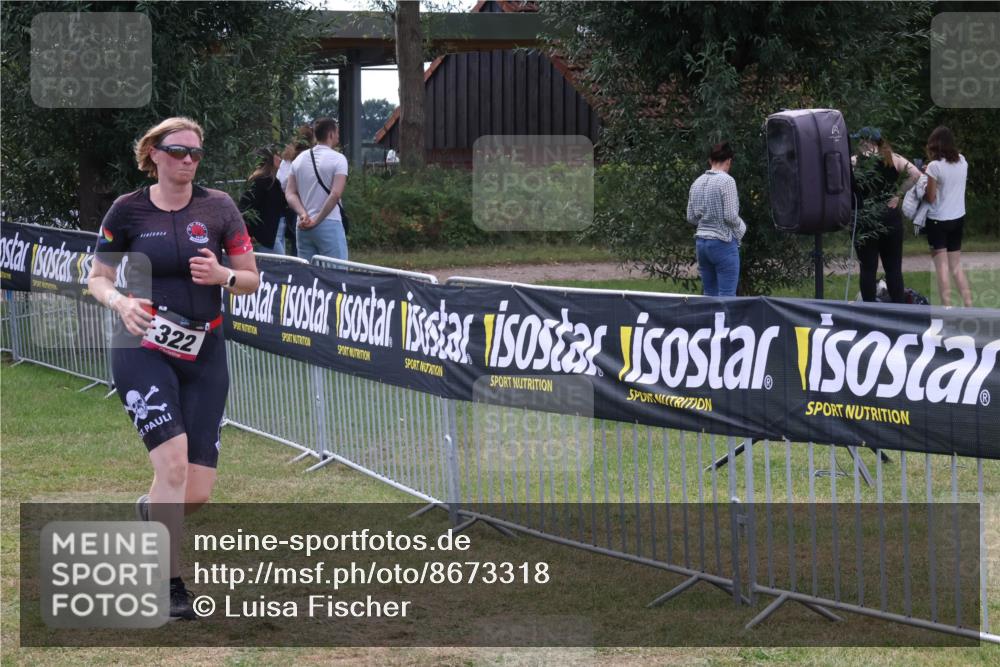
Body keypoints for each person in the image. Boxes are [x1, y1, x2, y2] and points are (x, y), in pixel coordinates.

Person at [87, 117, 260, 620]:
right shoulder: (128, 209)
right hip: (141, 346)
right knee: (173, 466)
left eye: (196, 153)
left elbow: (251, 278)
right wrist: (121, 302)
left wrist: (224, 275)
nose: (188, 160)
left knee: (196, 491)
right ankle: (168, 585)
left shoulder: (219, 207)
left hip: (205, 350)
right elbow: (97, 277)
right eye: (179, 151)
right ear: (154, 155)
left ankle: (150, 513)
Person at [850, 127, 921, 303]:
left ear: (866, 141)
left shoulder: (854, 161)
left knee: (868, 269)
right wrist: (898, 194)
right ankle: (898, 310)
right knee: (893, 269)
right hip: (890, 216)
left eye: (859, 140)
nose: (858, 143)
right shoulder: (893, 158)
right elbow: (916, 174)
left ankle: (869, 308)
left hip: (866, 217)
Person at [686, 141, 746, 296]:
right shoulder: (727, 181)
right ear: (729, 161)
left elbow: (691, 217)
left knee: (709, 295)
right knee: (727, 296)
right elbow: (730, 216)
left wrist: (706, 221)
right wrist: (742, 228)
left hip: (702, 243)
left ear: (710, 161)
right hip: (723, 242)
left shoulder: (697, 182)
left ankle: (708, 314)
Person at [285, 117, 349, 261]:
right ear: (331, 134)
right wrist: (317, 220)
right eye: (337, 132)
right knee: (335, 271)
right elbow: (335, 194)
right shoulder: (338, 159)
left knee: (308, 272)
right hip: (329, 223)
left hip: (303, 226)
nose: (338, 136)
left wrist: (303, 214)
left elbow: (290, 193)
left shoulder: (298, 159)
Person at [923, 126, 972, 307]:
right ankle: (969, 307)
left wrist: (925, 182)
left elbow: (930, 197)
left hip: (938, 221)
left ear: (935, 144)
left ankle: (947, 309)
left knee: (942, 268)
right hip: (958, 218)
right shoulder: (963, 161)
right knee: (956, 267)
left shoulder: (934, 167)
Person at [239, 147, 293, 254]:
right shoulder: (261, 181)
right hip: (266, 236)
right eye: (277, 155)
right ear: (270, 158)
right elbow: (246, 208)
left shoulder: (273, 181)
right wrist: (251, 233)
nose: (280, 159)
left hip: (276, 232)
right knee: (280, 262)